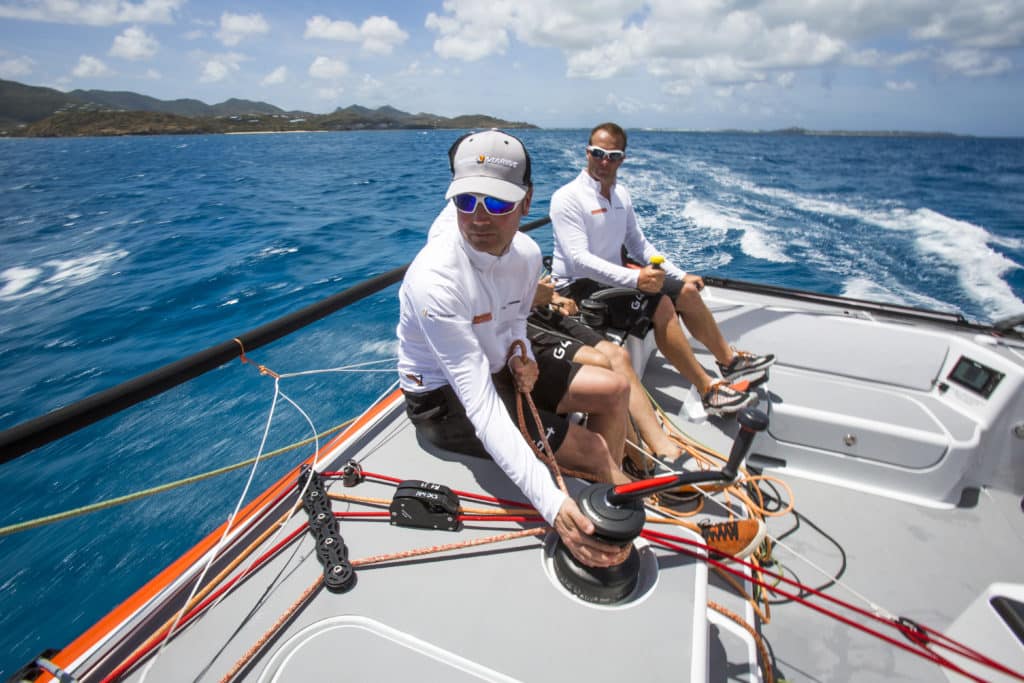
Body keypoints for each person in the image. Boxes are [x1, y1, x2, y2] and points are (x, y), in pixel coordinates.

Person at [398, 129, 633, 568]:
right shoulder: (435, 280)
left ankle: (609, 490)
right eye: (465, 201)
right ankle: (609, 514)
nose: (479, 218)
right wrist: (552, 507)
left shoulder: (525, 255)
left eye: (498, 203)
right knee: (594, 450)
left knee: (615, 388)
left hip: (499, 368)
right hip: (443, 401)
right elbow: (481, 407)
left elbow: (514, 321)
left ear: (527, 202)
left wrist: (522, 351)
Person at [550, 122, 775, 416]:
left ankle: (729, 362)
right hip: (578, 285)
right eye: (598, 153)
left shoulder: (621, 195)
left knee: (686, 292)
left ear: (623, 159)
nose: (605, 161)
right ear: (587, 152)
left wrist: (680, 275)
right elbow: (579, 259)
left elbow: (639, 244)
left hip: (613, 277)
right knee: (660, 302)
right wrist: (637, 278)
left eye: (613, 155)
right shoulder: (567, 197)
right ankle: (708, 391)